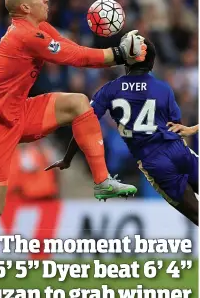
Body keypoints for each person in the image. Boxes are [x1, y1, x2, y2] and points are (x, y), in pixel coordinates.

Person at [0, 0, 147, 298]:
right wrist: (118, 54)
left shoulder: (40, 29)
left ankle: (101, 181)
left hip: (19, 111)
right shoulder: (23, 35)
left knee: (79, 104)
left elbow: (69, 47)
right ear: (25, 8)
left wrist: (116, 52)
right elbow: (75, 57)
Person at [47, 39, 198, 225]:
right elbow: (177, 126)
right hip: (179, 151)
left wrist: (68, 158)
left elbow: (83, 125)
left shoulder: (110, 90)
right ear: (151, 63)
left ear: (126, 62)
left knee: (196, 214)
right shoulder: (163, 88)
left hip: (155, 162)